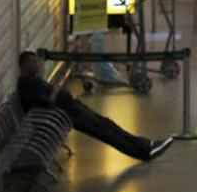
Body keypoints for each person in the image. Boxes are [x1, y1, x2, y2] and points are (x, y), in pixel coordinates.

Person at [16, 51, 173, 161]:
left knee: (108, 125)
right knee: (105, 131)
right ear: (26, 65)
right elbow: (47, 104)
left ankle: (145, 144)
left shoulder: (32, 80)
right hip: (68, 114)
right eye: (34, 62)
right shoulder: (30, 83)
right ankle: (142, 152)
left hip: (72, 109)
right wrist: (56, 89)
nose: (38, 65)